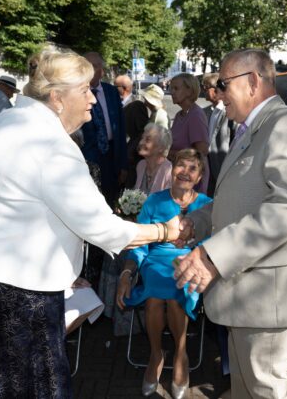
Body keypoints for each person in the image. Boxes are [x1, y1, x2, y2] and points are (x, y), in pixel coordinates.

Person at [0, 48, 181, 398]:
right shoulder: (52, 148)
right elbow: (103, 228)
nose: (92, 101)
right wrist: (164, 231)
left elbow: (31, 208)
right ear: (56, 98)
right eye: (84, 91)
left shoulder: (9, 121)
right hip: (10, 290)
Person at [174, 49, 287, 399]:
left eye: (224, 84)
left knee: (268, 389)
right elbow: (236, 201)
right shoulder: (252, 128)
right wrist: (196, 222)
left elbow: (286, 208)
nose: (218, 93)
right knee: (245, 389)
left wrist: (212, 256)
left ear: (253, 81)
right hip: (245, 296)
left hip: (268, 300)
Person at [117, 149, 212, 399]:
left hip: (191, 259)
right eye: (181, 165)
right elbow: (139, 245)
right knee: (157, 291)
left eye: (193, 168)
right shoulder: (154, 201)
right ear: (172, 169)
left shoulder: (206, 205)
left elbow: (212, 243)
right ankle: (156, 353)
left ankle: (180, 353)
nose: (185, 172)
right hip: (156, 258)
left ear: (199, 176)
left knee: (174, 290)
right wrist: (127, 273)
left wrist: (198, 251)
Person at [80, 51, 128, 204]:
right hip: (88, 157)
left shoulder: (111, 92)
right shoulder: (77, 93)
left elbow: (120, 129)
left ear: (101, 70)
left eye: (94, 66)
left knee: (112, 198)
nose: (91, 70)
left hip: (112, 155)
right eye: (87, 66)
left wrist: (123, 164)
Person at [169, 73, 210, 194]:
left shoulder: (195, 115)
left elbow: (202, 151)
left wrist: (169, 153)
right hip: (181, 176)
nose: (172, 92)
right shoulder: (179, 115)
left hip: (191, 179)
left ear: (189, 91)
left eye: (176, 88)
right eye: (171, 88)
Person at [114, 75, 150, 188]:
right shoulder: (117, 104)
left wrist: (130, 152)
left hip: (132, 162)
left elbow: (143, 133)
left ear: (125, 88)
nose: (113, 89)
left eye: (115, 86)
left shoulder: (136, 105)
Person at [202, 73, 233, 197]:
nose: (204, 90)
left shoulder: (228, 111)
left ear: (215, 89)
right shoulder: (208, 111)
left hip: (223, 166)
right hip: (210, 166)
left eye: (206, 87)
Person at [134, 123, 173, 195]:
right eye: (142, 138)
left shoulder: (168, 172)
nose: (141, 142)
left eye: (147, 140)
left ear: (161, 148)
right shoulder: (141, 165)